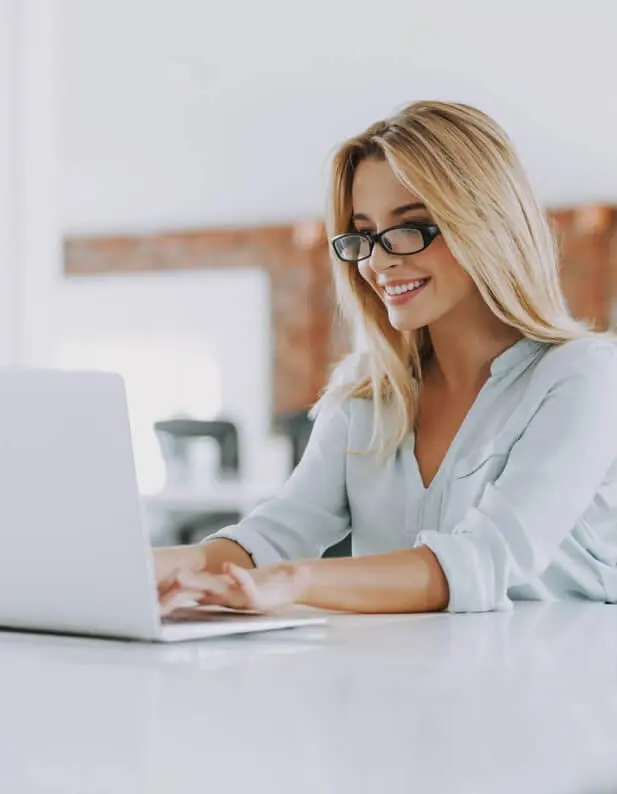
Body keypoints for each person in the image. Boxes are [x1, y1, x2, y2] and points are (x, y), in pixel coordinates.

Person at [155, 100, 617, 615]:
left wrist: (294, 581)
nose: (378, 261)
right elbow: (274, 535)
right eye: (365, 233)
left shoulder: (583, 378)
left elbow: (487, 560)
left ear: (486, 224)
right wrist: (133, 568)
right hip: (395, 684)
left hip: (543, 687)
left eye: (410, 226)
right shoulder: (366, 393)